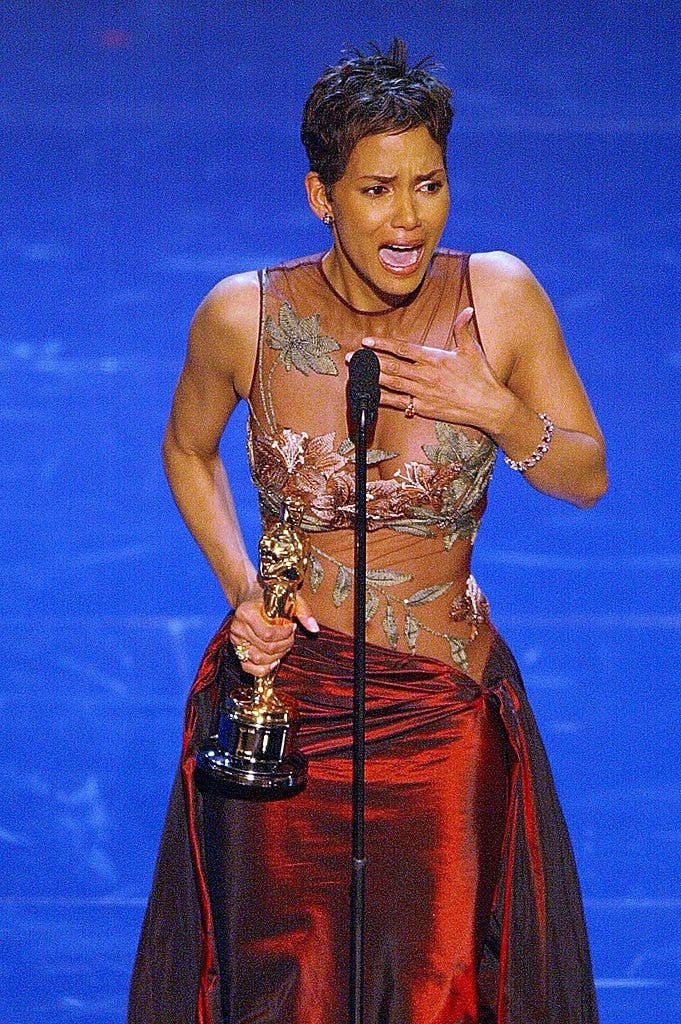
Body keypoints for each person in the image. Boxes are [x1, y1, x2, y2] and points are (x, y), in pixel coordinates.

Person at [128, 39, 607, 1024]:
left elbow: (586, 474)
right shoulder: (242, 317)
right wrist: (242, 584)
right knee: (280, 983)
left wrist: (500, 410)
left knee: (434, 981)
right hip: (284, 709)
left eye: (428, 184)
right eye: (378, 188)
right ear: (322, 196)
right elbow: (188, 451)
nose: (407, 219)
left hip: (438, 719)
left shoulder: (499, 301)